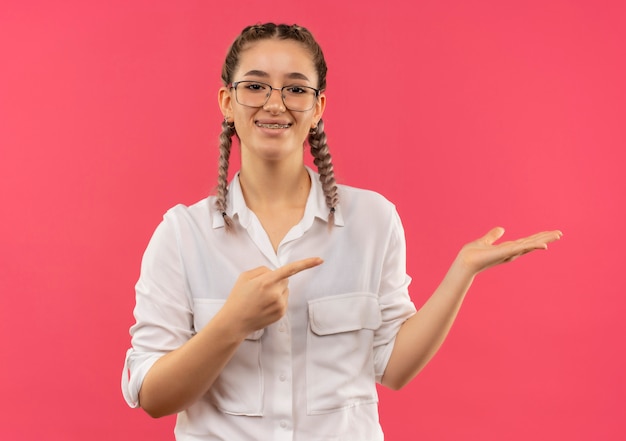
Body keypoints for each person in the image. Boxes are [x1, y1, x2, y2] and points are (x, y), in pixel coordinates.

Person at [121, 22, 562, 441]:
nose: (275, 104)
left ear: (318, 107)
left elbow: (393, 368)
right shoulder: (181, 235)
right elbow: (154, 396)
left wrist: (461, 272)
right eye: (255, 86)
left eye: (296, 89)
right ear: (226, 101)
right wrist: (231, 324)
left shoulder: (373, 220)